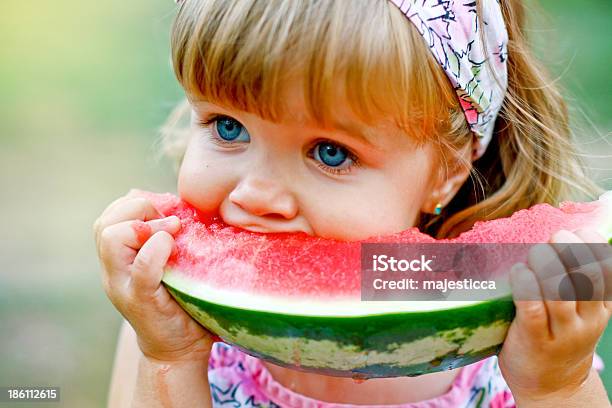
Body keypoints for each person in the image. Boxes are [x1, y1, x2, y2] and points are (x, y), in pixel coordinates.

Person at [94, 0, 611, 406]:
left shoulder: (528, 345)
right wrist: (170, 360)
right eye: (228, 127)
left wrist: (557, 389)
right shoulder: (170, 328)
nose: (255, 194)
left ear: (448, 171)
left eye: (330, 153)